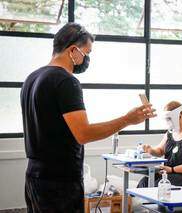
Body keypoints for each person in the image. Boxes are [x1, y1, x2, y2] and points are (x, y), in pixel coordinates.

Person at [21, 23, 155, 213]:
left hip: (34, 176)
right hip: (59, 183)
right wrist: (127, 119)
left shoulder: (32, 78)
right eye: (87, 52)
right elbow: (83, 134)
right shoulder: (66, 81)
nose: (87, 59)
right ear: (73, 50)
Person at [137, 101, 182, 188]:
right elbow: (160, 150)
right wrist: (150, 150)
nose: (168, 122)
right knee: (144, 182)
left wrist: (172, 169)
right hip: (168, 173)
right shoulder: (170, 132)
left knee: (158, 186)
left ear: (180, 116)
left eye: (169, 119)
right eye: (166, 119)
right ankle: (136, 201)